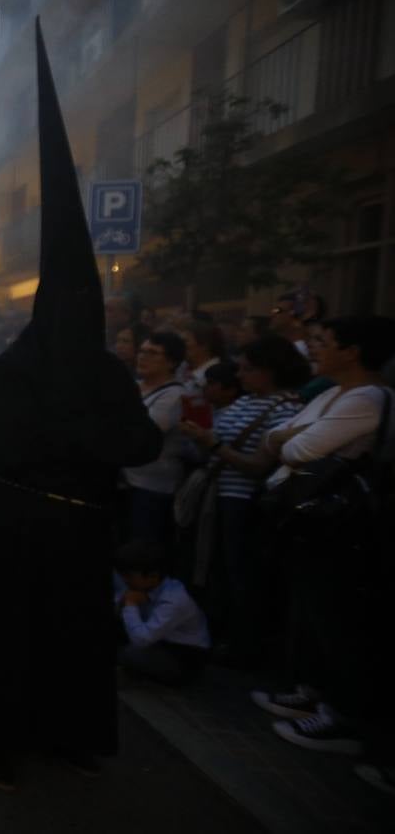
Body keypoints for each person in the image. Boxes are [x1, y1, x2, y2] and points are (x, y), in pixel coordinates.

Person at [0, 20, 162, 791]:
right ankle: (2, 738)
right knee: (13, 636)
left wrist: (79, 438)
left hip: (84, 522)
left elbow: (142, 442)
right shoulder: (16, 366)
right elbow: (7, 450)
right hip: (23, 520)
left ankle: (71, 732)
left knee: (79, 638)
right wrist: (90, 438)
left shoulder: (110, 372)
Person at [249, 316, 395, 755]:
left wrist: (290, 437)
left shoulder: (370, 397)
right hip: (306, 520)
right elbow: (277, 436)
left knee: (337, 617)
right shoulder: (333, 393)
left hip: (339, 523)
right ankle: (311, 690)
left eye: (323, 341)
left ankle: (341, 716)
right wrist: (291, 435)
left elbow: (295, 448)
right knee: (310, 609)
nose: (313, 348)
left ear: (352, 351)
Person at [179, 335, 308, 665]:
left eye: (248, 369)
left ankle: (246, 644)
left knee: (242, 573)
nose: (240, 376)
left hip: (245, 501)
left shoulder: (286, 408)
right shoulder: (243, 402)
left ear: (272, 370)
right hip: (218, 495)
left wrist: (212, 445)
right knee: (216, 567)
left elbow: (261, 466)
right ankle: (222, 631)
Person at [113, 539, 210, 686]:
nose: (125, 580)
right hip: (158, 640)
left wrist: (130, 605)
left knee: (128, 654)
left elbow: (142, 639)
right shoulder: (140, 585)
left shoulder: (174, 600)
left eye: (130, 576)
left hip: (183, 655)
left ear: (152, 576)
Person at [122, 330, 187, 549]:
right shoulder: (133, 386)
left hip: (153, 487)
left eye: (153, 353)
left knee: (143, 548)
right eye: (142, 351)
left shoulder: (175, 395)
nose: (143, 357)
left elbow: (146, 432)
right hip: (125, 482)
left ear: (172, 362)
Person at [181, 320, 225, 394]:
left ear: (204, 345)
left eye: (186, 341)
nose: (181, 345)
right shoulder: (182, 367)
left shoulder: (216, 375)